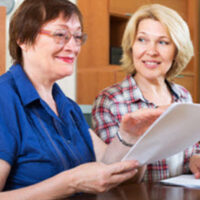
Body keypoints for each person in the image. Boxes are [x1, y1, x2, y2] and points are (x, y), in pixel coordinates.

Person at [0, 0, 165, 199]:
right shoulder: (5, 99)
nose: (73, 46)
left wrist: (129, 137)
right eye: (60, 35)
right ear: (22, 39)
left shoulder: (68, 107)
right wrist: (70, 183)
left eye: (77, 37)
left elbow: (111, 168)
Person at [92, 4, 200, 182]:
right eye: (142, 40)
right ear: (131, 46)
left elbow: (192, 148)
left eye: (163, 42)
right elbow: (113, 171)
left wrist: (194, 159)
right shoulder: (110, 101)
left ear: (177, 51)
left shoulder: (183, 96)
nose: (151, 51)